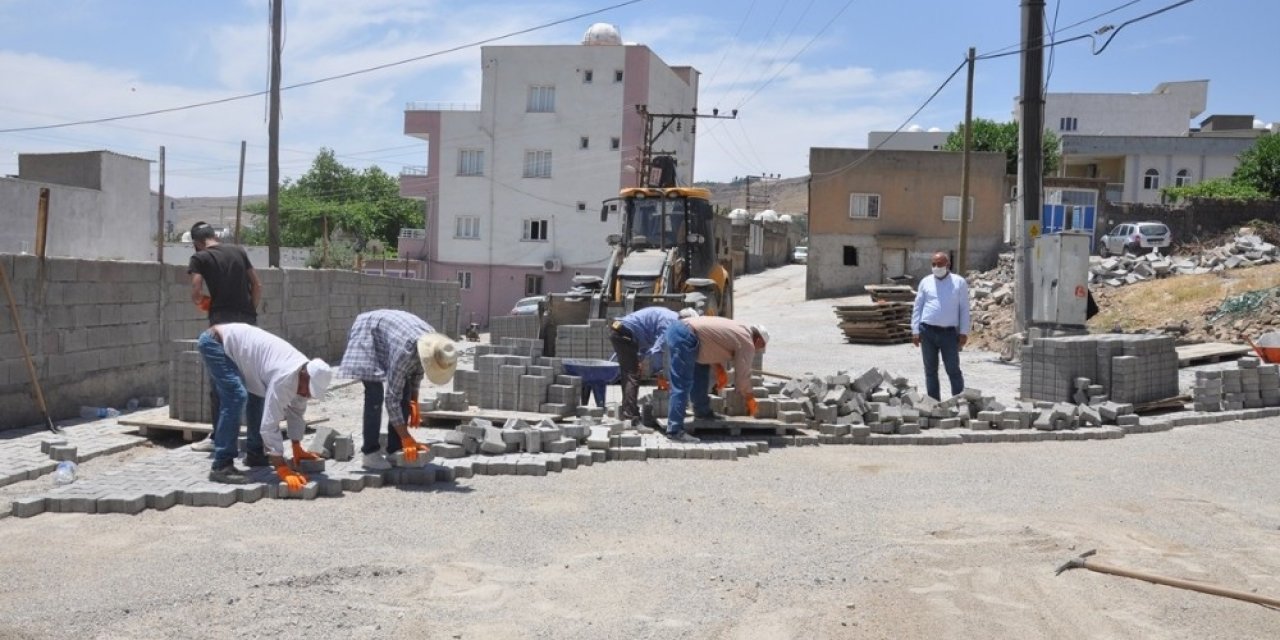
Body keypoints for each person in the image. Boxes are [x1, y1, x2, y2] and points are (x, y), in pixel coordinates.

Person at [197, 323, 332, 487]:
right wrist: (281, 466)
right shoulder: (285, 377)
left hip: (244, 356)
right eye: (307, 390)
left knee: (258, 398)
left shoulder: (303, 378)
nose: (306, 395)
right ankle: (221, 465)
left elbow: (296, 411)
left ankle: (255, 455)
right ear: (304, 375)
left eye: (311, 393)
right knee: (236, 396)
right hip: (216, 343)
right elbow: (269, 425)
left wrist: (297, 446)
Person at [338, 310, 458, 470]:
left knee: (405, 392)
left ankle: (395, 449)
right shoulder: (406, 352)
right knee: (375, 395)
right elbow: (392, 399)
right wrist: (407, 436)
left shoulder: (432, 344)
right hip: (368, 332)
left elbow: (418, 370)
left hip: (391, 335)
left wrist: (413, 400)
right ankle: (369, 453)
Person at [188, 221, 262, 452]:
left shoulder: (200, 258)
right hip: (247, 321)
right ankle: (254, 441)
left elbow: (197, 292)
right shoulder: (239, 251)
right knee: (251, 380)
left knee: (220, 380)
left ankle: (217, 438)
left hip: (221, 324)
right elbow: (257, 285)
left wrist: (204, 304)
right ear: (213, 235)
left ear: (197, 243)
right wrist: (250, 311)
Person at [662, 316, 769, 442]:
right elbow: (742, 376)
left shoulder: (740, 330)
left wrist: (719, 369)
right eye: (761, 346)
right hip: (686, 335)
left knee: (701, 372)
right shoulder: (747, 341)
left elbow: (713, 343)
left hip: (684, 332)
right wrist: (749, 397)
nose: (758, 350)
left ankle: (702, 412)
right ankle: (675, 431)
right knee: (682, 383)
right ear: (758, 340)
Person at [911, 252, 971, 401]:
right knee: (930, 370)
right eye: (933, 264)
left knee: (953, 369)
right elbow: (918, 306)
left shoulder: (959, 282)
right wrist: (915, 331)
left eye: (939, 264)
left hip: (949, 334)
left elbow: (964, 308)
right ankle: (933, 403)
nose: (936, 267)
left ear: (948, 265)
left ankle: (958, 402)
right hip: (927, 331)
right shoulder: (925, 282)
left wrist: (963, 332)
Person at [609, 306, 680, 427]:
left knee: (629, 373)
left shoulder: (667, 316)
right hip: (625, 334)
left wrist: (639, 359)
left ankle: (627, 410)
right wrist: (660, 372)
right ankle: (631, 417)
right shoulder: (672, 323)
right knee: (632, 375)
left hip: (619, 331)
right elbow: (656, 351)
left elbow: (647, 343)